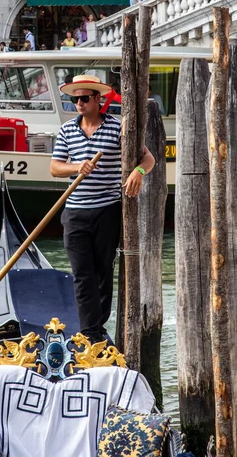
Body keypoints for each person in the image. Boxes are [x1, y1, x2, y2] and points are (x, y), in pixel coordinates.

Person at [50, 74, 155, 344]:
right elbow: (55, 167)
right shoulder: (66, 130)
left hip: (107, 210)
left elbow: (148, 157)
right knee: (82, 274)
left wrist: (139, 172)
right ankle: (91, 334)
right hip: (74, 212)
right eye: (76, 99)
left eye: (85, 98)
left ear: (98, 99)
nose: (79, 103)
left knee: (103, 271)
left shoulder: (117, 128)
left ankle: (97, 325)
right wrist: (77, 167)